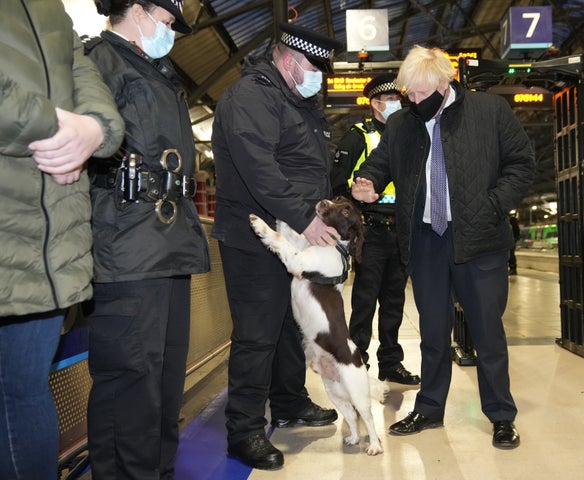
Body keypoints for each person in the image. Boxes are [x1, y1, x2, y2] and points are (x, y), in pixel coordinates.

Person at [352, 45, 535, 449]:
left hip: (481, 239)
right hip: (425, 241)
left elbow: (522, 164)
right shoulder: (402, 123)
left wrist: (490, 207)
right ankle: (430, 408)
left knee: (487, 332)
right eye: (408, 95)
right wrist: (367, 181)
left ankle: (502, 415)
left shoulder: (489, 112)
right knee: (433, 332)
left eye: (420, 94)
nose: (413, 102)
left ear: (444, 82)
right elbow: (379, 163)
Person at [83, 1, 211, 478]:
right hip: (128, 243)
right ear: (136, 11)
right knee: (131, 379)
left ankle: (157, 471)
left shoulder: (156, 68)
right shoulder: (99, 62)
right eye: (166, 20)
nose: (170, 31)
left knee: (163, 378)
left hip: (168, 241)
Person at [211, 23, 343, 470]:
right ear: (288, 60)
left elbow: (306, 168)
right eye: (313, 67)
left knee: (288, 326)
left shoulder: (298, 102)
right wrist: (307, 220)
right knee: (256, 334)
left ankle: (288, 401)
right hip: (256, 237)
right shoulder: (252, 96)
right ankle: (244, 430)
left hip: (290, 239)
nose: (318, 78)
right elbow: (258, 168)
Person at [0, 1, 124, 478]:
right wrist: (57, 130)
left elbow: (80, 71)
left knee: (24, 391)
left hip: (45, 238)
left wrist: (95, 127)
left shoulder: (51, 9)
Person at [330, 74, 420, 385]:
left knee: (395, 300)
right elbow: (337, 184)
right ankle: (357, 361)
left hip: (402, 230)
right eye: (391, 100)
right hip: (370, 231)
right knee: (365, 301)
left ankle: (391, 363)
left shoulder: (410, 135)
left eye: (399, 99)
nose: (397, 105)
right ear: (376, 104)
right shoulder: (358, 137)